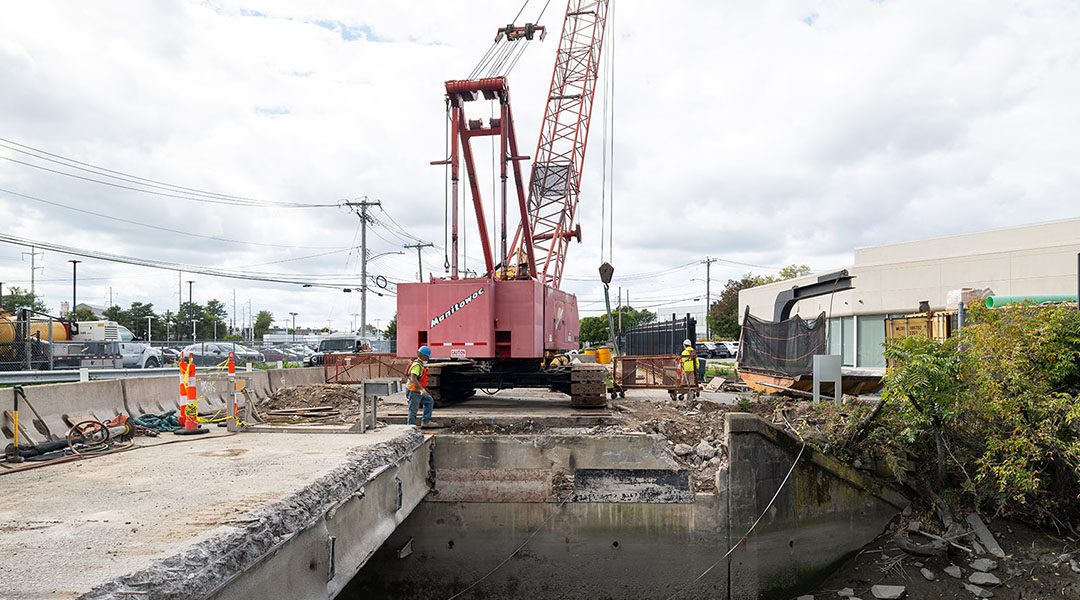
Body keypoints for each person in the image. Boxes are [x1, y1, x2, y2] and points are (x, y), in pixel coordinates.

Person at [407, 345, 439, 428]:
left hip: (418, 390)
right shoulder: (417, 366)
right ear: (423, 355)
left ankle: (426, 421)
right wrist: (422, 389)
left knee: (429, 401)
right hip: (414, 390)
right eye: (427, 356)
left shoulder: (420, 364)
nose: (428, 358)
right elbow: (413, 378)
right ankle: (411, 427)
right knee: (413, 409)